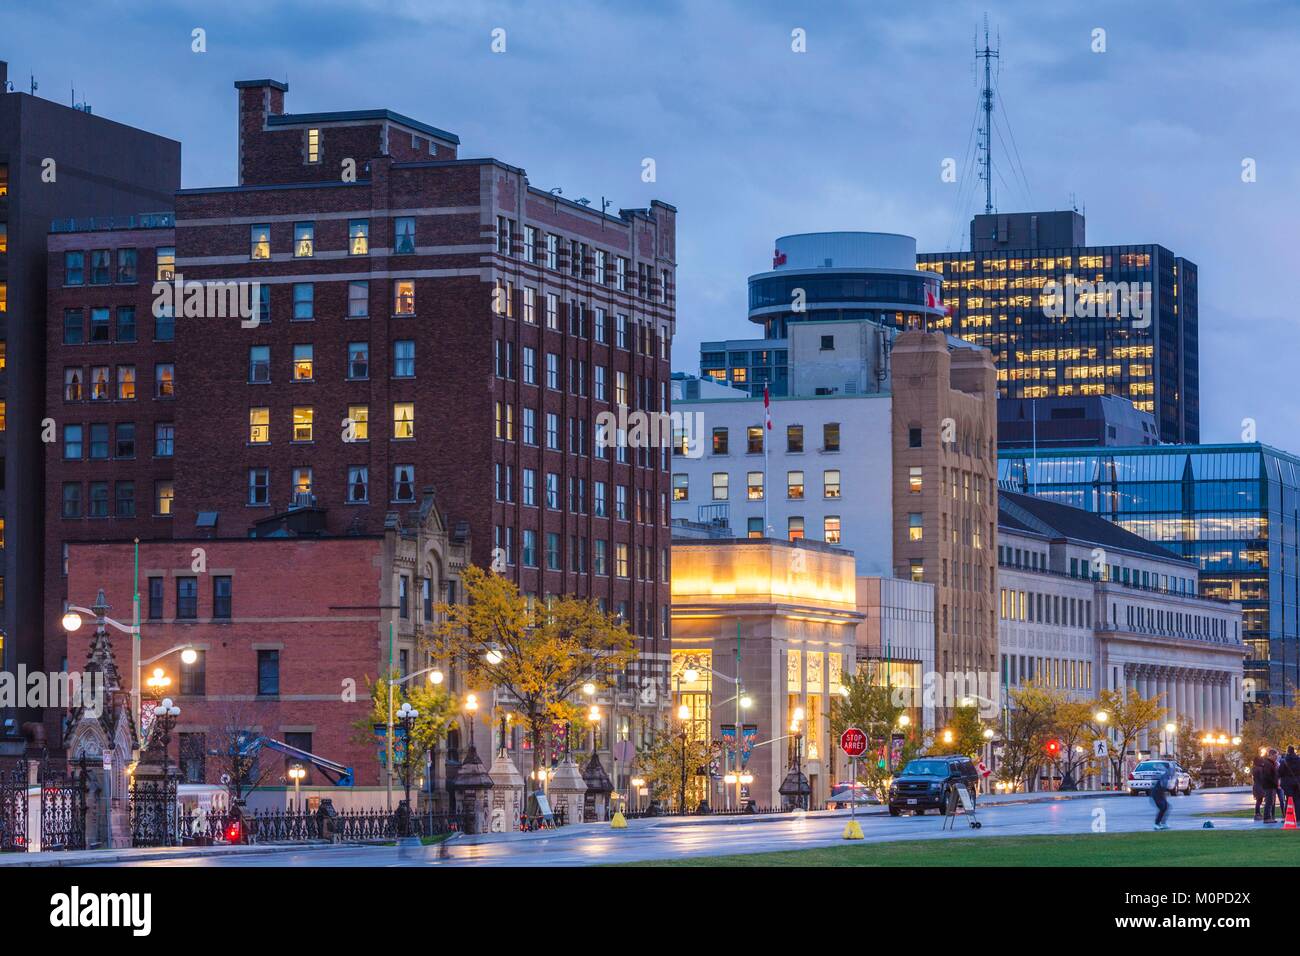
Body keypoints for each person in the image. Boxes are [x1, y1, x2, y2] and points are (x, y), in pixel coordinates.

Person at [1151, 763, 1175, 830]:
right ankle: (1156, 824)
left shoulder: (1167, 776)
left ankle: (1163, 823)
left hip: (1160, 794)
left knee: (1166, 807)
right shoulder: (1165, 776)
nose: (1172, 772)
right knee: (1162, 807)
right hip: (1156, 794)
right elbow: (1162, 786)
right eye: (1172, 770)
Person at [1279, 746, 1300, 819]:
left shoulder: (1284, 761)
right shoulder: (1298, 759)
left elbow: (1280, 772)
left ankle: (1289, 817)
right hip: (1297, 782)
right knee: (1297, 799)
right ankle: (1298, 817)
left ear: (1287, 751)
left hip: (1287, 783)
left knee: (1288, 799)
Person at [1259, 750, 1280, 822]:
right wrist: (1275, 782)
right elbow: (1267, 775)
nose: (1276, 758)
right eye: (1275, 756)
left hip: (1271, 785)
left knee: (1271, 801)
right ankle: (1267, 818)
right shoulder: (1268, 763)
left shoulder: (1271, 763)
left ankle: (1269, 817)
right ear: (1271, 755)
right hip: (1269, 785)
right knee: (1269, 801)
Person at [1252, 752, 1270, 820]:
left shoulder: (1255, 768)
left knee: (1259, 800)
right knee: (1259, 800)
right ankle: (1257, 813)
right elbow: (1262, 778)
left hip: (1256, 785)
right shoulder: (1260, 769)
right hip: (1260, 786)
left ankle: (1257, 813)